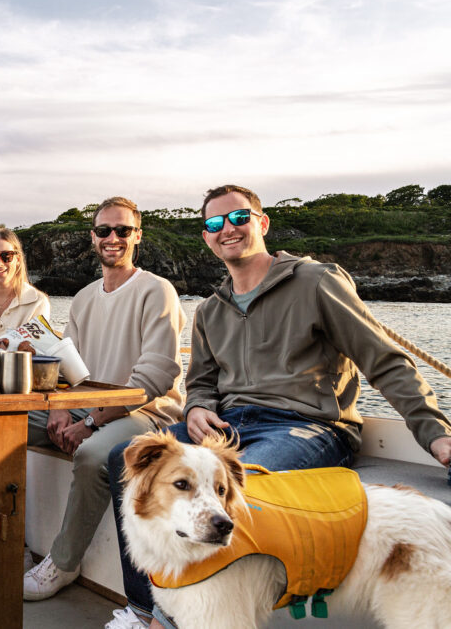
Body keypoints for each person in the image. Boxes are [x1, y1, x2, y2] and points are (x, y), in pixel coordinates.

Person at [105, 184, 451, 629]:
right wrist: (197, 408)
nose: (228, 229)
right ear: (207, 236)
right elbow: (202, 382)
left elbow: (384, 360)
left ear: (262, 223)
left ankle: (165, 622)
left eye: (239, 217)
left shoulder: (317, 282)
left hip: (308, 425)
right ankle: (143, 606)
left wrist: (436, 435)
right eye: (215, 223)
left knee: (247, 490)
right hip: (228, 428)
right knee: (122, 459)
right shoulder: (210, 310)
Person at [22, 197, 185, 605]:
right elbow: (65, 366)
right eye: (103, 230)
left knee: (95, 454)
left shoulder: (157, 291)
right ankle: (3, 541)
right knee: (4, 425)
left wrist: (89, 423)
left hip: (147, 412)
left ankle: (63, 563)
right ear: (93, 237)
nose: (113, 238)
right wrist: (60, 408)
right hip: (88, 405)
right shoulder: (83, 298)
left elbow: (155, 378)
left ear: (137, 236)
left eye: (123, 230)